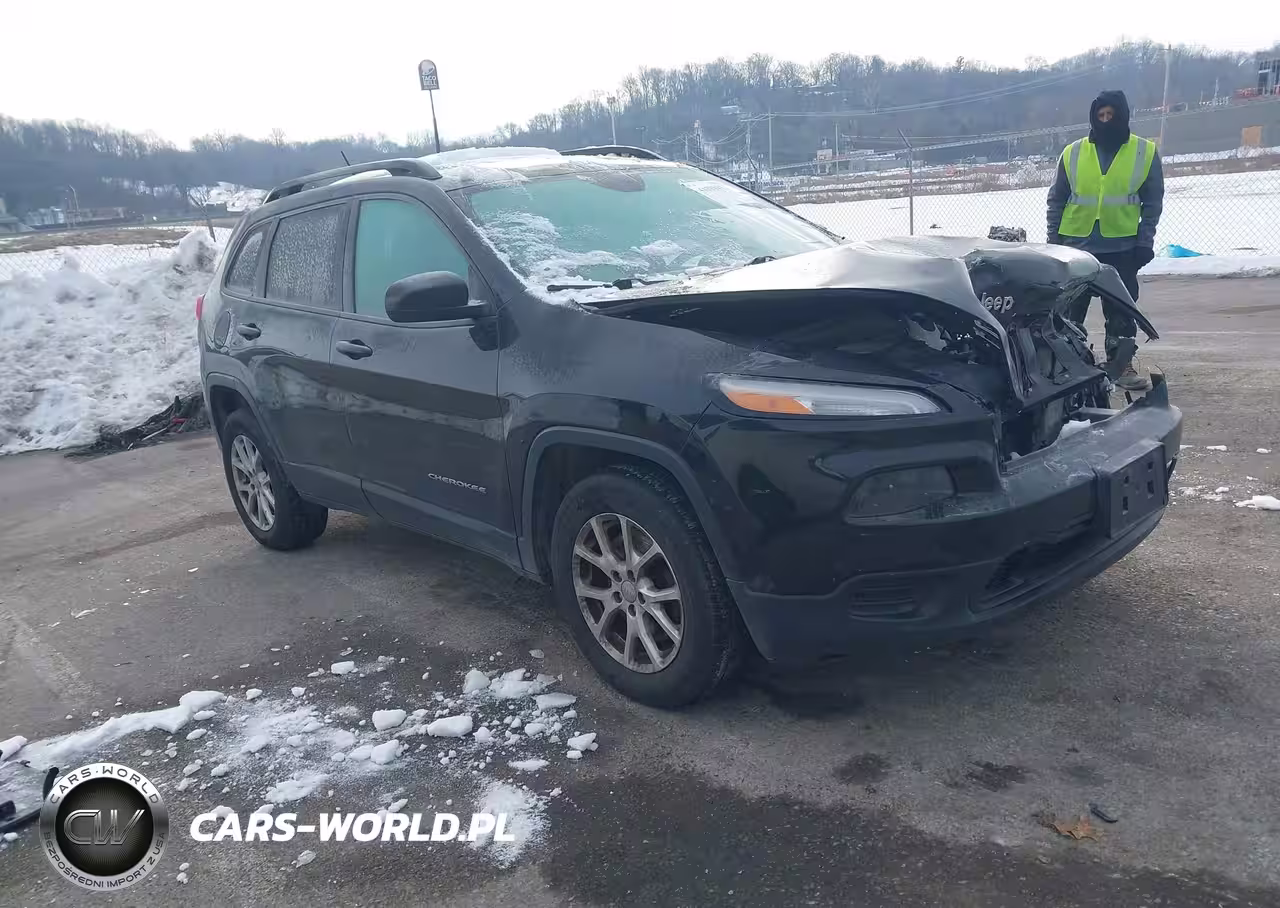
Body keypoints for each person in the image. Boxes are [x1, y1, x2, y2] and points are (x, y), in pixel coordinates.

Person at [1047, 89, 1163, 392]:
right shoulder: (1073, 152)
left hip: (1122, 245)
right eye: (1100, 115)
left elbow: (1153, 202)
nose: (1105, 120)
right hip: (1076, 245)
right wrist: (1052, 241)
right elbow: (1056, 199)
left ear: (1122, 116)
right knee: (1068, 312)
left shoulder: (1143, 152)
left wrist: (1145, 241)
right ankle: (1071, 363)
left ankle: (1120, 363)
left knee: (1122, 311)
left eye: (1111, 115)